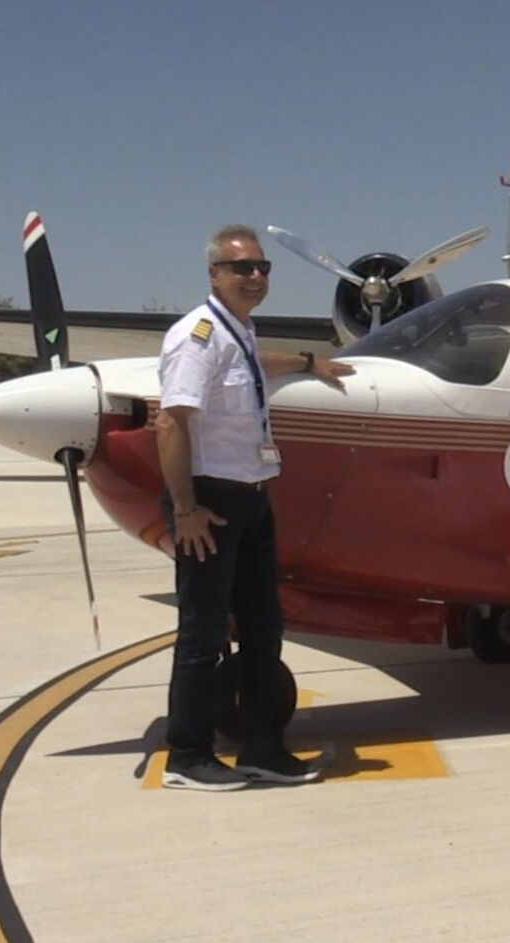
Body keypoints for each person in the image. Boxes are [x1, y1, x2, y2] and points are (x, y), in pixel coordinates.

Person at [155, 224, 354, 791]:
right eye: (242, 268)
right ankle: (187, 756)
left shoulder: (235, 331)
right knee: (203, 633)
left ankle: (263, 748)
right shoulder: (196, 335)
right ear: (214, 274)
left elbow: (251, 360)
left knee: (264, 626)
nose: (256, 277)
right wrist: (187, 509)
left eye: (263, 268)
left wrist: (311, 361)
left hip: (252, 498)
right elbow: (171, 422)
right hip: (211, 503)